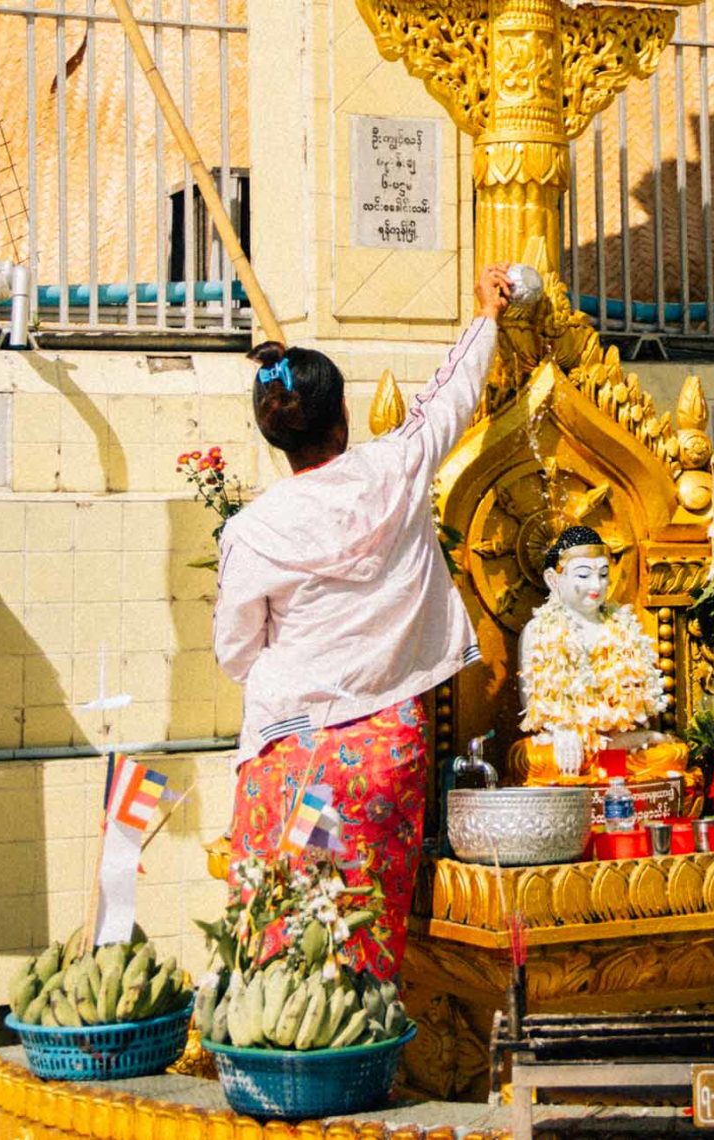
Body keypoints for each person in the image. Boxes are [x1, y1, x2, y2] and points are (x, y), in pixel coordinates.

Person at [213, 264, 511, 980]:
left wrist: (299, 678)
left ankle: (285, 1049)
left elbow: (235, 649)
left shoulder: (253, 531)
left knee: (282, 912)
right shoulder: (394, 469)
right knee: (361, 911)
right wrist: (486, 316)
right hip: (381, 748)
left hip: (292, 748)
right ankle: (359, 1041)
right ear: (342, 418)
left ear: (271, 435)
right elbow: (452, 395)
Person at [509, 525, 690, 786]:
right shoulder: (538, 630)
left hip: (618, 742)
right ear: (553, 579)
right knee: (532, 759)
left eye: (603, 575)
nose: (596, 585)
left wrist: (628, 736)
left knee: (671, 753)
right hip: (565, 746)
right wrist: (562, 731)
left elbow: (640, 710)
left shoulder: (624, 626)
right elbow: (533, 709)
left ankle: (605, 764)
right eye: (583, 575)